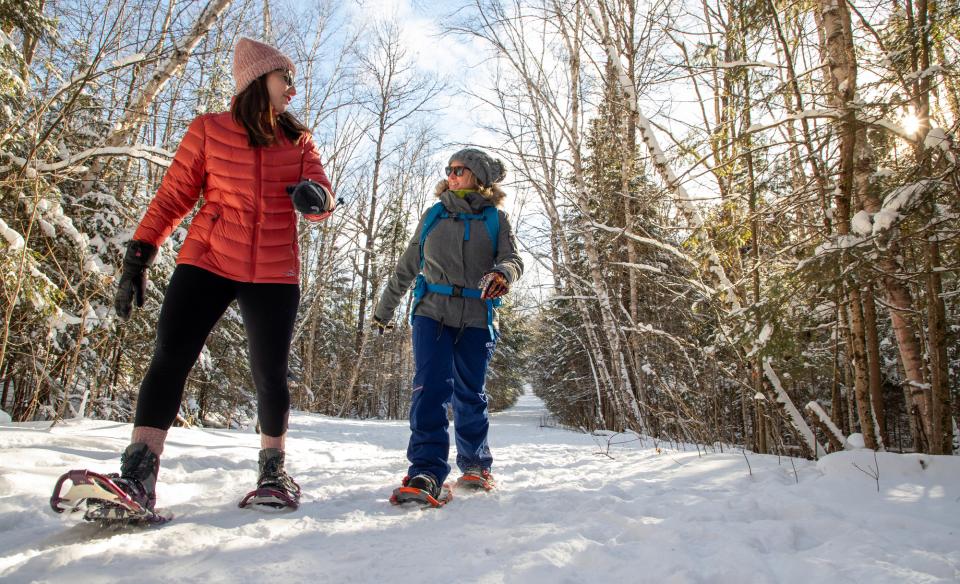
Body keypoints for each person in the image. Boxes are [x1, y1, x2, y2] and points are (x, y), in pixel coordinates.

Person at [108, 37, 336, 510]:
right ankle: (138, 475)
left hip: (273, 271)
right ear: (258, 79)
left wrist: (318, 199)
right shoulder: (208, 131)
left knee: (270, 374)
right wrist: (140, 254)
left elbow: (322, 193)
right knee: (170, 355)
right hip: (208, 259)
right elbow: (173, 197)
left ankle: (273, 472)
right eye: (285, 79)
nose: (292, 90)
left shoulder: (297, 141)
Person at [373, 148, 523, 504]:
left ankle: (475, 464)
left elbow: (513, 259)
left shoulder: (496, 220)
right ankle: (426, 471)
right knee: (430, 390)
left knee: (470, 393)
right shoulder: (434, 215)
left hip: (477, 315)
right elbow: (406, 266)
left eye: (461, 170)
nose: (452, 175)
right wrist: (384, 310)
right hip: (432, 312)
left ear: (479, 178)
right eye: (449, 169)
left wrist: (504, 273)